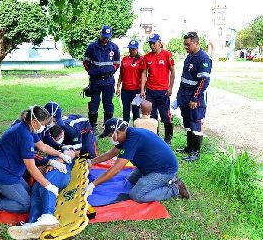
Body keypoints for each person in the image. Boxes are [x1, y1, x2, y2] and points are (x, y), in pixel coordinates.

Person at [0, 106, 72, 214]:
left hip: (11, 172)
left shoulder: (26, 128)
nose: (44, 127)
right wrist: (48, 185)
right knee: (25, 205)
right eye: (44, 124)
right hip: (3, 175)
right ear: (34, 122)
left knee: (29, 192)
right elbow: (31, 167)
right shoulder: (25, 136)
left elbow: (42, 146)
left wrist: (61, 155)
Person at [84, 118, 190, 203]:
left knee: (136, 195)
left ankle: (174, 188)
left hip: (164, 170)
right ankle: (161, 181)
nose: (110, 138)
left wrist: (93, 185)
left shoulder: (132, 140)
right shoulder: (127, 134)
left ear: (117, 132)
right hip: (151, 166)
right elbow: (111, 153)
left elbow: (116, 169)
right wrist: (92, 162)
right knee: (131, 181)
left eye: (110, 136)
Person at [7, 151, 76, 240]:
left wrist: (58, 161)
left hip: (61, 170)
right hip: (45, 174)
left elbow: (73, 153)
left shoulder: (63, 146)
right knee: (35, 191)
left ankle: (48, 215)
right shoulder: (48, 148)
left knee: (46, 185)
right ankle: (32, 225)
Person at [176, 32, 212, 162]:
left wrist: (194, 98)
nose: (186, 47)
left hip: (194, 98)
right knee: (187, 121)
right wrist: (179, 95)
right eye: (185, 44)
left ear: (196, 43)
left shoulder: (203, 58)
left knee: (195, 122)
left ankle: (196, 152)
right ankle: (189, 147)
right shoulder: (189, 56)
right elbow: (185, 77)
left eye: (188, 44)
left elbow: (203, 81)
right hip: (184, 95)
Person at [83, 25, 121, 131]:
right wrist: (92, 72)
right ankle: (92, 125)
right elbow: (86, 61)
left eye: (108, 37)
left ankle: (107, 126)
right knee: (94, 102)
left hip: (108, 81)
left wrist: (109, 71)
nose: (105, 39)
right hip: (95, 81)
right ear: (100, 34)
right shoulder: (92, 47)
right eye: (104, 36)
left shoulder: (114, 47)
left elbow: (117, 64)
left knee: (108, 103)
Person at [140, 33, 175, 144]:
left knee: (165, 115)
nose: (152, 46)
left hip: (163, 91)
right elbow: (144, 73)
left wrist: (170, 87)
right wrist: (142, 89)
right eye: (150, 43)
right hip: (150, 91)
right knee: (152, 115)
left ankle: (168, 138)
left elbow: (172, 71)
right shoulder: (147, 57)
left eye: (154, 43)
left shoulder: (167, 55)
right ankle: (155, 136)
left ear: (160, 42)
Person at [116, 39, 144, 124]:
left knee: (136, 111)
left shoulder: (141, 59)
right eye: (130, 49)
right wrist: (118, 87)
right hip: (125, 90)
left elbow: (144, 75)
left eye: (133, 49)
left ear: (137, 49)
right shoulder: (124, 59)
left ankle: (136, 129)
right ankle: (125, 128)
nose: (131, 51)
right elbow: (121, 75)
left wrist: (143, 89)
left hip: (136, 90)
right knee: (126, 110)